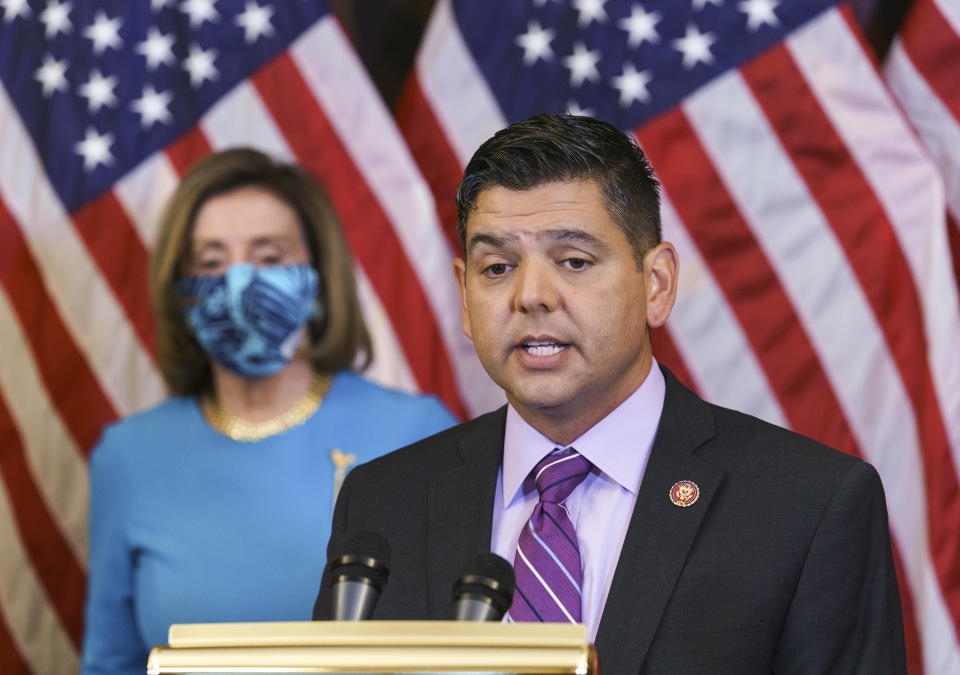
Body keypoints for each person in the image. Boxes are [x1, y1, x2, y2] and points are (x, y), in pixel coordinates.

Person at [313, 115, 907, 674]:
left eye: (573, 261)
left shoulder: (808, 506)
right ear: (464, 296)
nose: (531, 296)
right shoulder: (382, 503)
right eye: (496, 268)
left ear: (656, 285)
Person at [81, 148, 456, 675]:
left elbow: (465, 654)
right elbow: (110, 663)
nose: (240, 285)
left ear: (319, 281)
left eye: (269, 257)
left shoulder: (416, 432)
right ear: (181, 293)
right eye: (211, 263)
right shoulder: (128, 456)